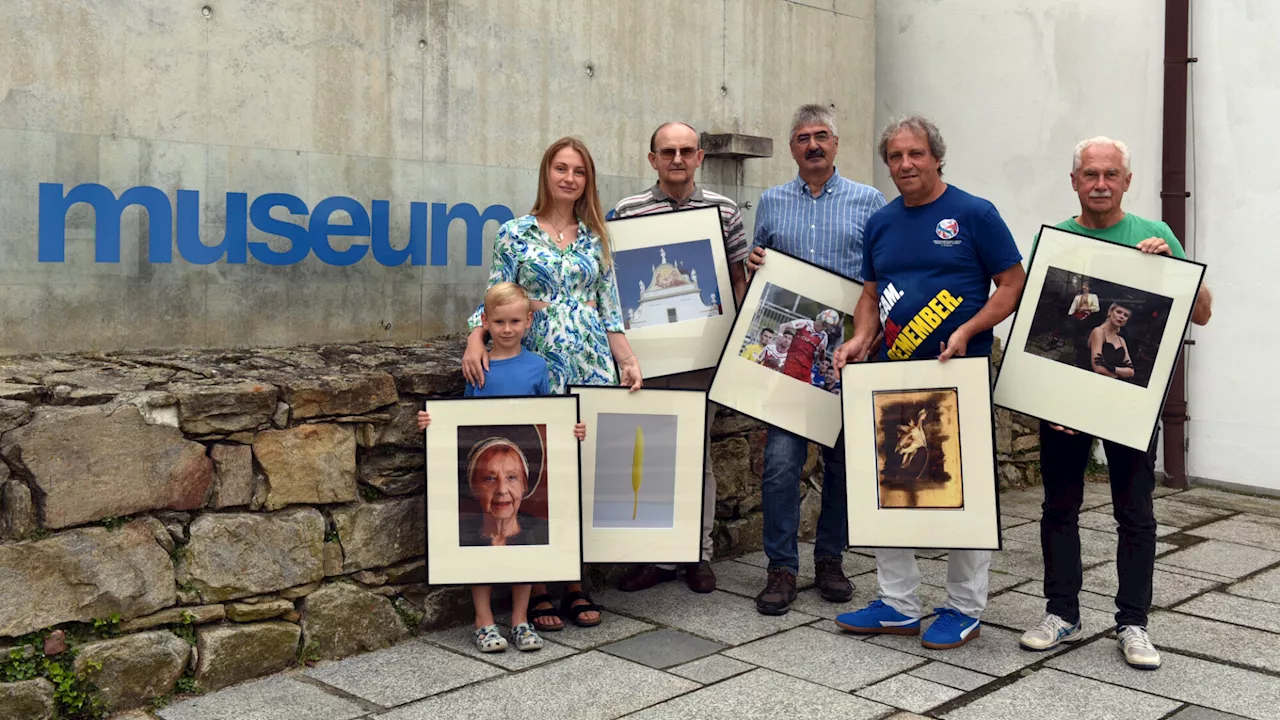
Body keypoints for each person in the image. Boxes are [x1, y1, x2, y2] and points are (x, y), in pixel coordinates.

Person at [831, 115, 1025, 649]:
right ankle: (897, 605)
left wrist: (967, 330)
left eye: (915, 154)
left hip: (957, 377)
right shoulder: (882, 222)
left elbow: (1012, 284)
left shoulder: (974, 213)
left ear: (937, 157)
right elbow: (871, 294)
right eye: (895, 156)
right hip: (895, 378)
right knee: (893, 490)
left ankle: (963, 607)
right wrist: (859, 340)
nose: (905, 165)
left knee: (962, 494)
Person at [1019, 136, 1212, 670]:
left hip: (1128, 405)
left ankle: (1134, 623)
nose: (1100, 184)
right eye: (1090, 174)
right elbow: (1041, 328)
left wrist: (1174, 266)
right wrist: (1044, 396)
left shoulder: (1156, 235)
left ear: (1127, 181)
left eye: (1110, 175)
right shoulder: (1056, 242)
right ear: (1074, 181)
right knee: (1059, 506)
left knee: (1136, 512)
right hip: (1065, 404)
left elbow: (1203, 313)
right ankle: (1061, 612)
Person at [462, 136, 644, 632]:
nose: (569, 178)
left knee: (580, 473)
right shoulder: (515, 233)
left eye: (578, 171)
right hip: (534, 358)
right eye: (560, 168)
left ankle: (575, 580)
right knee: (538, 466)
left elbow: (610, 306)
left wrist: (626, 359)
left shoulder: (596, 236)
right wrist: (475, 338)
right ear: (546, 174)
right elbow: (495, 294)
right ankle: (538, 586)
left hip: (589, 363)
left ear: (588, 181)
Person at [745, 104, 887, 615]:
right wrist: (753, 262)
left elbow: (881, 274)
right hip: (790, 359)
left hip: (848, 354)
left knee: (843, 465)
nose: (813, 145)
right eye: (803, 137)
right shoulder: (772, 202)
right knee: (781, 465)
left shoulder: (869, 201)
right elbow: (757, 274)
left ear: (836, 142)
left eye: (822, 135)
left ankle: (831, 558)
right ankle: (781, 567)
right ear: (792, 148)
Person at [610, 121, 749, 595]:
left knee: (696, 455)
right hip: (645, 359)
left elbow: (736, 280)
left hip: (700, 356)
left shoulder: (724, 210)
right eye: (667, 151)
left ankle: (698, 554)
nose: (677, 159)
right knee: (648, 455)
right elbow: (616, 282)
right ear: (652, 159)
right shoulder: (627, 210)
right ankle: (655, 559)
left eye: (686, 151)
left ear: (700, 157)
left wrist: (727, 341)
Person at [417, 282, 586, 654]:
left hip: (516, 462)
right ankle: (483, 621)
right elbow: (464, 421)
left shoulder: (538, 366)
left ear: (528, 321)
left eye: (514, 321)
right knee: (480, 547)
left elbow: (549, 415)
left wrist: (571, 429)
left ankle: (520, 619)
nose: (507, 329)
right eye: (498, 322)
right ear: (485, 323)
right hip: (488, 466)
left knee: (523, 547)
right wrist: (435, 424)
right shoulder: (479, 366)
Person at [778, 310, 838, 384]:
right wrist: (780, 335)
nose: (823, 328)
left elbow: (821, 359)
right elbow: (784, 325)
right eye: (823, 325)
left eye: (826, 327)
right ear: (819, 319)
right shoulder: (805, 323)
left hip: (805, 369)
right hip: (791, 363)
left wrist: (822, 352)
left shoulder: (824, 336)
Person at [1087, 302, 1135, 380]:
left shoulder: (1121, 340)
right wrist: (1116, 375)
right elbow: (1098, 368)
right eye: (1119, 312)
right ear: (1110, 312)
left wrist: (1113, 369)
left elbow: (1131, 371)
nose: (1121, 316)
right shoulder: (1099, 332)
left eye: (1125, 315)